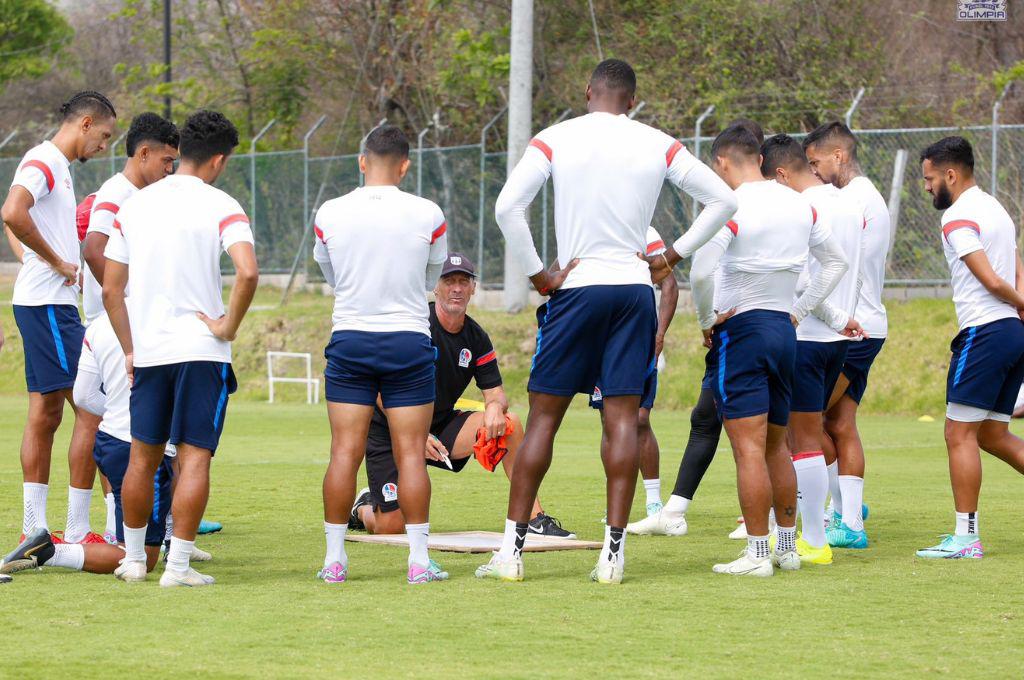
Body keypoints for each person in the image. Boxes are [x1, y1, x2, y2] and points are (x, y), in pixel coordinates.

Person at [483, 58, 736, 585]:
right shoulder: (656, 141)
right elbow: (723, 199)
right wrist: (674, 255)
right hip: (633, 291)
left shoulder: (555, 137)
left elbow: (509, 207)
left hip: (576, 289)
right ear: (632, 101)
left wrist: (537, 276)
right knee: (622, 420)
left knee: (544, 418)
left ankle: (510, 553)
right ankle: (613, 557)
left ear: (588, 91)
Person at [103, 110, 258, 587]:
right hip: (200, 351)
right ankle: (178, 566)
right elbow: (248, 272)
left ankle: (133, 560)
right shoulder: (221, 203)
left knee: (142, 457)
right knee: (194, 457)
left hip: (150, 352)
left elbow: (111, 288)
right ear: (217, 159)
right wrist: (227, 326)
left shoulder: (134, 206)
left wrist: (131, 347)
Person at [689, 123, 849, 577]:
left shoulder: (729, 206)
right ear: (760, 159)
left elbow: (701, 273)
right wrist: (798, 310)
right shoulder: (801, 205)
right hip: (785, 331)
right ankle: (786, 547)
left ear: (721, 163)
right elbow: (835, 262)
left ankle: (757, 553)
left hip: (743, 332)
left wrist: (706, 319)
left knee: (748, 449)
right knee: (779, 446)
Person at [351, 253, 574, 538]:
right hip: (391, 430)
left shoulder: (476, 337)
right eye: (449, 281)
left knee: (510, 422)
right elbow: (380, 387)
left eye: (463, 281)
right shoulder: (414, 324)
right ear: (435, 286)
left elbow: (495, 392)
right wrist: (412, 434)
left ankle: (533, 517)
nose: (456, 288)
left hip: (440, 427)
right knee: (392, 528)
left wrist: (494, 406)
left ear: (473, 289)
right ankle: (362, 507)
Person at [312, 124, 449, 585]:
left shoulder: (330, 211)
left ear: (362, 161)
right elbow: (433, 274)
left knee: (343, 452)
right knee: (411, 454)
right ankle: (417, 561)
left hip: (351, 337)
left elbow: (328, 268)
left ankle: (335, 561)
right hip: (408, 339)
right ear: (405, 165)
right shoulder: (428, 212)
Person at [0, 313, 207, 577]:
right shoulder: (171, 323)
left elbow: (83, 395)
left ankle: (160, 540)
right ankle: (48, 551)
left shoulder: (99, 326)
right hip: (144, 447)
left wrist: (116, 413)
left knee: (132, 540)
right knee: (141, 557)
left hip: (108, 442)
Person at [1, 91, 117, 543]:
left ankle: (35, 528)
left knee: (46, 413)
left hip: (44, 304)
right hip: (48, 305)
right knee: (95, 410)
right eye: (104, 136)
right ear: (85, 124)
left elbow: (15, 222)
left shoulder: (58, 168)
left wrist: (43, 259)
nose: (104, 146)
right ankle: (90, 526)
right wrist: (54, 262)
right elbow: (12, 212)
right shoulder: (45, 160)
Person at [65, 112, 180, 546]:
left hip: (111, 324)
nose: (170, 170)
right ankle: (109, 531)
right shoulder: (119, 193)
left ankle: (113, 528)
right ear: (144, 153)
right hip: (115, 324)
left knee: (99, 423)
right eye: (166, 161)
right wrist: (128, 299)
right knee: (124, 429)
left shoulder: (144, 197)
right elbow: (94, 249)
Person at [916, 136, 1024, 560]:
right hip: (1012, 332)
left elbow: (992, 281)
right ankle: (965, 535)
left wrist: (1019, 304)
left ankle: (966, 538)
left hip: (985, 332)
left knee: (957, 432)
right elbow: (1015, 266)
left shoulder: (958, 215)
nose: (927, 188)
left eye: (928, 180)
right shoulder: (995, 207)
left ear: (950, 174)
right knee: (993, 435)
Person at [762, 133, 868, 561]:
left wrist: (816, 314)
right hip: (835, 343)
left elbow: (808, 280)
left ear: (783, 174)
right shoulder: (848, 202)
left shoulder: (805, 208)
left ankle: (814, 541)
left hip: (809, 336)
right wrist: (844, 317)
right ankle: (810, 531)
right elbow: (854, 271)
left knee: (801, 440)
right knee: (809, 436)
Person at [803, 122, 890, 540]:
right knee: (838, 421)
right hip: (859, 323)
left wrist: (831, 316)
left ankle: (837, 516)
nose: (814, 172)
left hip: (853, 326)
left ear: (838, 155)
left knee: (809, 419)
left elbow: (845, 274)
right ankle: (847, 513)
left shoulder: (853, 201)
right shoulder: (860, 197)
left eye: (816, 162)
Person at [592, 226, 678, 533]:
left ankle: (654, 502)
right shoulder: (588, 222)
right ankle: (615, 501)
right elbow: (557, 270)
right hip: (601, 344)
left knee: (640, 419)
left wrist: (660, 333)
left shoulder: (645, 230)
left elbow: (669, 283)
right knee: (609, 421)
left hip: (640, 340)